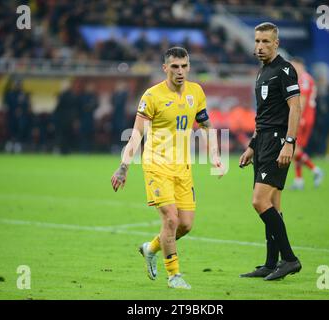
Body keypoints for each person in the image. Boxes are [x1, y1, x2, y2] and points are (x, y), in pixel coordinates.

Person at [110, 47, 223, 289]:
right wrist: (123, 167)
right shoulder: (152, 96)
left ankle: (150, 248)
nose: (180, 71)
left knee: (185, 225)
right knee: (171, 219)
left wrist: (214, 153)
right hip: (156, 165)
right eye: (174, 66)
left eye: (184, 66)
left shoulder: (196, 92)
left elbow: (205, 125)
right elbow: (136, 134)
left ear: (189, 67)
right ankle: (174, 275)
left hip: (183, 168)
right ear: (165, 68)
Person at [238, 22, 302, 281]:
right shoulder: (262, 72)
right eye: (257, 41)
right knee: (273, 203)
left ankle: (290, 259)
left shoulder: (285, 70)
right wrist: (252, 146)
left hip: (278, 142)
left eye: (265, 41)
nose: (260, 46)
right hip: (263, 141)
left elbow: (295, 109)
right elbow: (262, 116)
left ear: (276, 43)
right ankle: (270, 263)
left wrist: (289, 142)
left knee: (259, 201)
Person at [289, 57, 323, 190]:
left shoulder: (303, 79)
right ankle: (299, 180)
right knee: (296, 149)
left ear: (300, 65)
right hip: (307, 118)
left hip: (303, 118)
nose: (293, 68)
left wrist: (297, 118)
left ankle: (315, 170)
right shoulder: (305, 78)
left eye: (294, 65)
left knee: (292, 149)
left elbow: (301, 101)